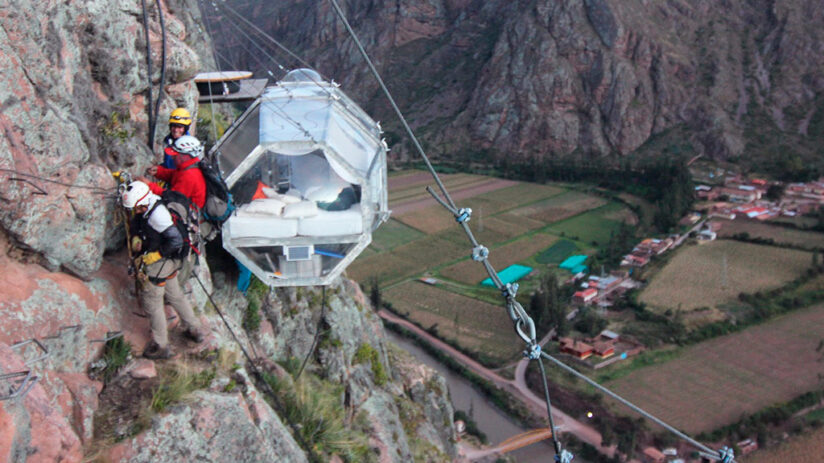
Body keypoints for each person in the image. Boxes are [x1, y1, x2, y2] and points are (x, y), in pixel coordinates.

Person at [121, 181, 206, 359]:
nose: (135, 211)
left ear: (143, 203)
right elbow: (139, 219)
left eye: (137, 208)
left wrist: (155, 256)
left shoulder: (158, 216)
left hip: (162, 261)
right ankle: (195, 329)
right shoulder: (152, 203)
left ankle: (161, 345)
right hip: (173, 261)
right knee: (175, 294)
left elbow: (174, 241)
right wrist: (137, 236)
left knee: (153, 302)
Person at [139, 135, 206, 209]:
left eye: (175, 154)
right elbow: (175, 175)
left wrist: (149, 186)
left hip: (186, 214)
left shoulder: (190, 175)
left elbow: (172, 198)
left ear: (185, 156)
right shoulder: (187, 168)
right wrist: (159, 171)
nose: (172, 157)